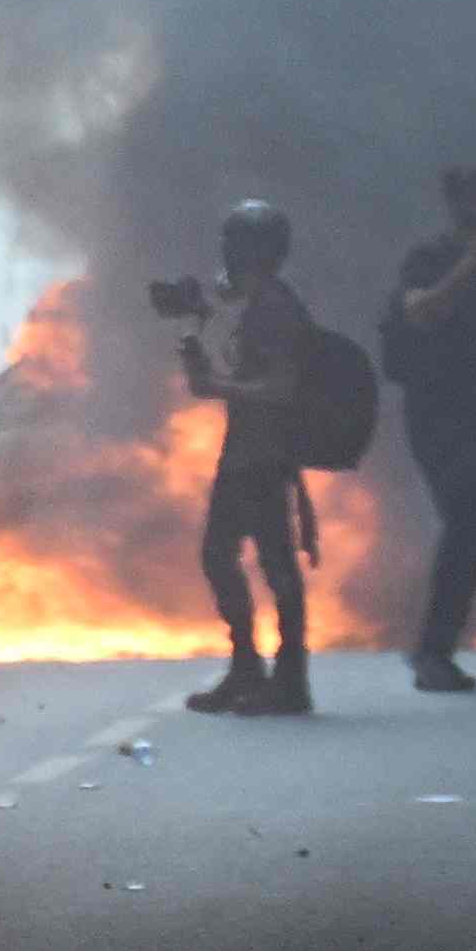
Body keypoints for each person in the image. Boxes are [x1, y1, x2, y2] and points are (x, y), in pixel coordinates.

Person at [379, 167, 476, 691]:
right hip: (438, 412)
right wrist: (469, 266)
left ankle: (436, 647)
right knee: (467, 515)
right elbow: (418, 311)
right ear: (456, 203)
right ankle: (431, 650)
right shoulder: (431, 258)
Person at [179, 199, 326, 716]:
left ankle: (283, 679)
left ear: (254, 251)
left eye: (235, 243)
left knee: (258, 560)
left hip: (262, 455)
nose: (227, 252)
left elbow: (281, 388)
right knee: (243, 558)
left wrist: (217, 383)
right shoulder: (264, 307)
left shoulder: (276, 311)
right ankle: (254, 671)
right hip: (249, 451)